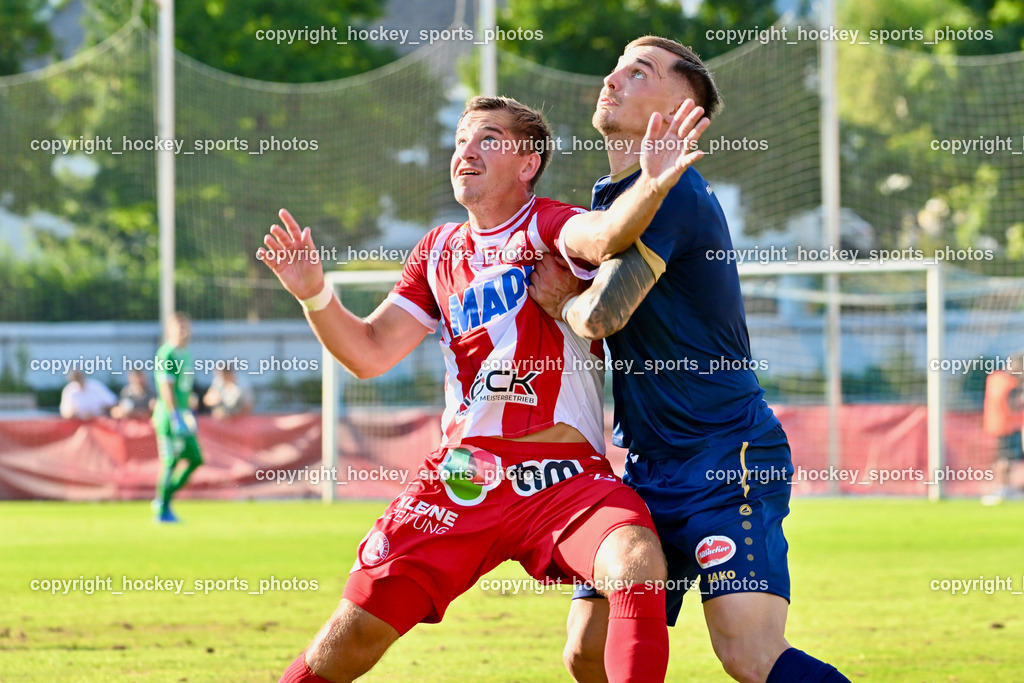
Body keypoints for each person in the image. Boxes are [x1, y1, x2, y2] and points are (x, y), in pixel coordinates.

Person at [259, 94, 710, 683]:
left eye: (489, 139)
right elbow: (368, 353)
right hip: (465, 475)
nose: (466, 151)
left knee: (636, 561)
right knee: (355, 635)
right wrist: (314, 296)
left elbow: (600, 237)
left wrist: (650, 186)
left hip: (564, 476)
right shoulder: (436, 251)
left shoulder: (547, 223)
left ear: (528, 164)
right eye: (461, 140)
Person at [529, 36, 849, 683]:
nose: (613, 76)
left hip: (724, 456)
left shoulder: (672, 192)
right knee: (587, 652)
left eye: (638, 70)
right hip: (647, 466)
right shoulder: (615, 201)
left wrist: (564, 301)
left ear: (680, 107)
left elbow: (603, 315)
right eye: (616, 62)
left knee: (749, 654)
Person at [151, 313, 203, 523]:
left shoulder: (186, 353)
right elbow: (166, 387)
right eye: (179, 328)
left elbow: (182, 386)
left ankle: (163, 498)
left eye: (186, 327)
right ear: (170, 330)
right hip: (169, 418)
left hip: (183, 414)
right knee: (171, 462)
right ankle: (162, 509)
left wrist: (188, 404)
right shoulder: (167, 353)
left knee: (196, 458)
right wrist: (174, 416)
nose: (184, 332)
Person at [981, 353, 1023, 505]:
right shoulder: (1010, 383)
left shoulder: (994, 378)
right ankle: (1002, 488)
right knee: (1005, 459)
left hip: (995, 423)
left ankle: (1004, 488)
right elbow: (1013, 404)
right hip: (1007, 425)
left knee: (1003, 459)